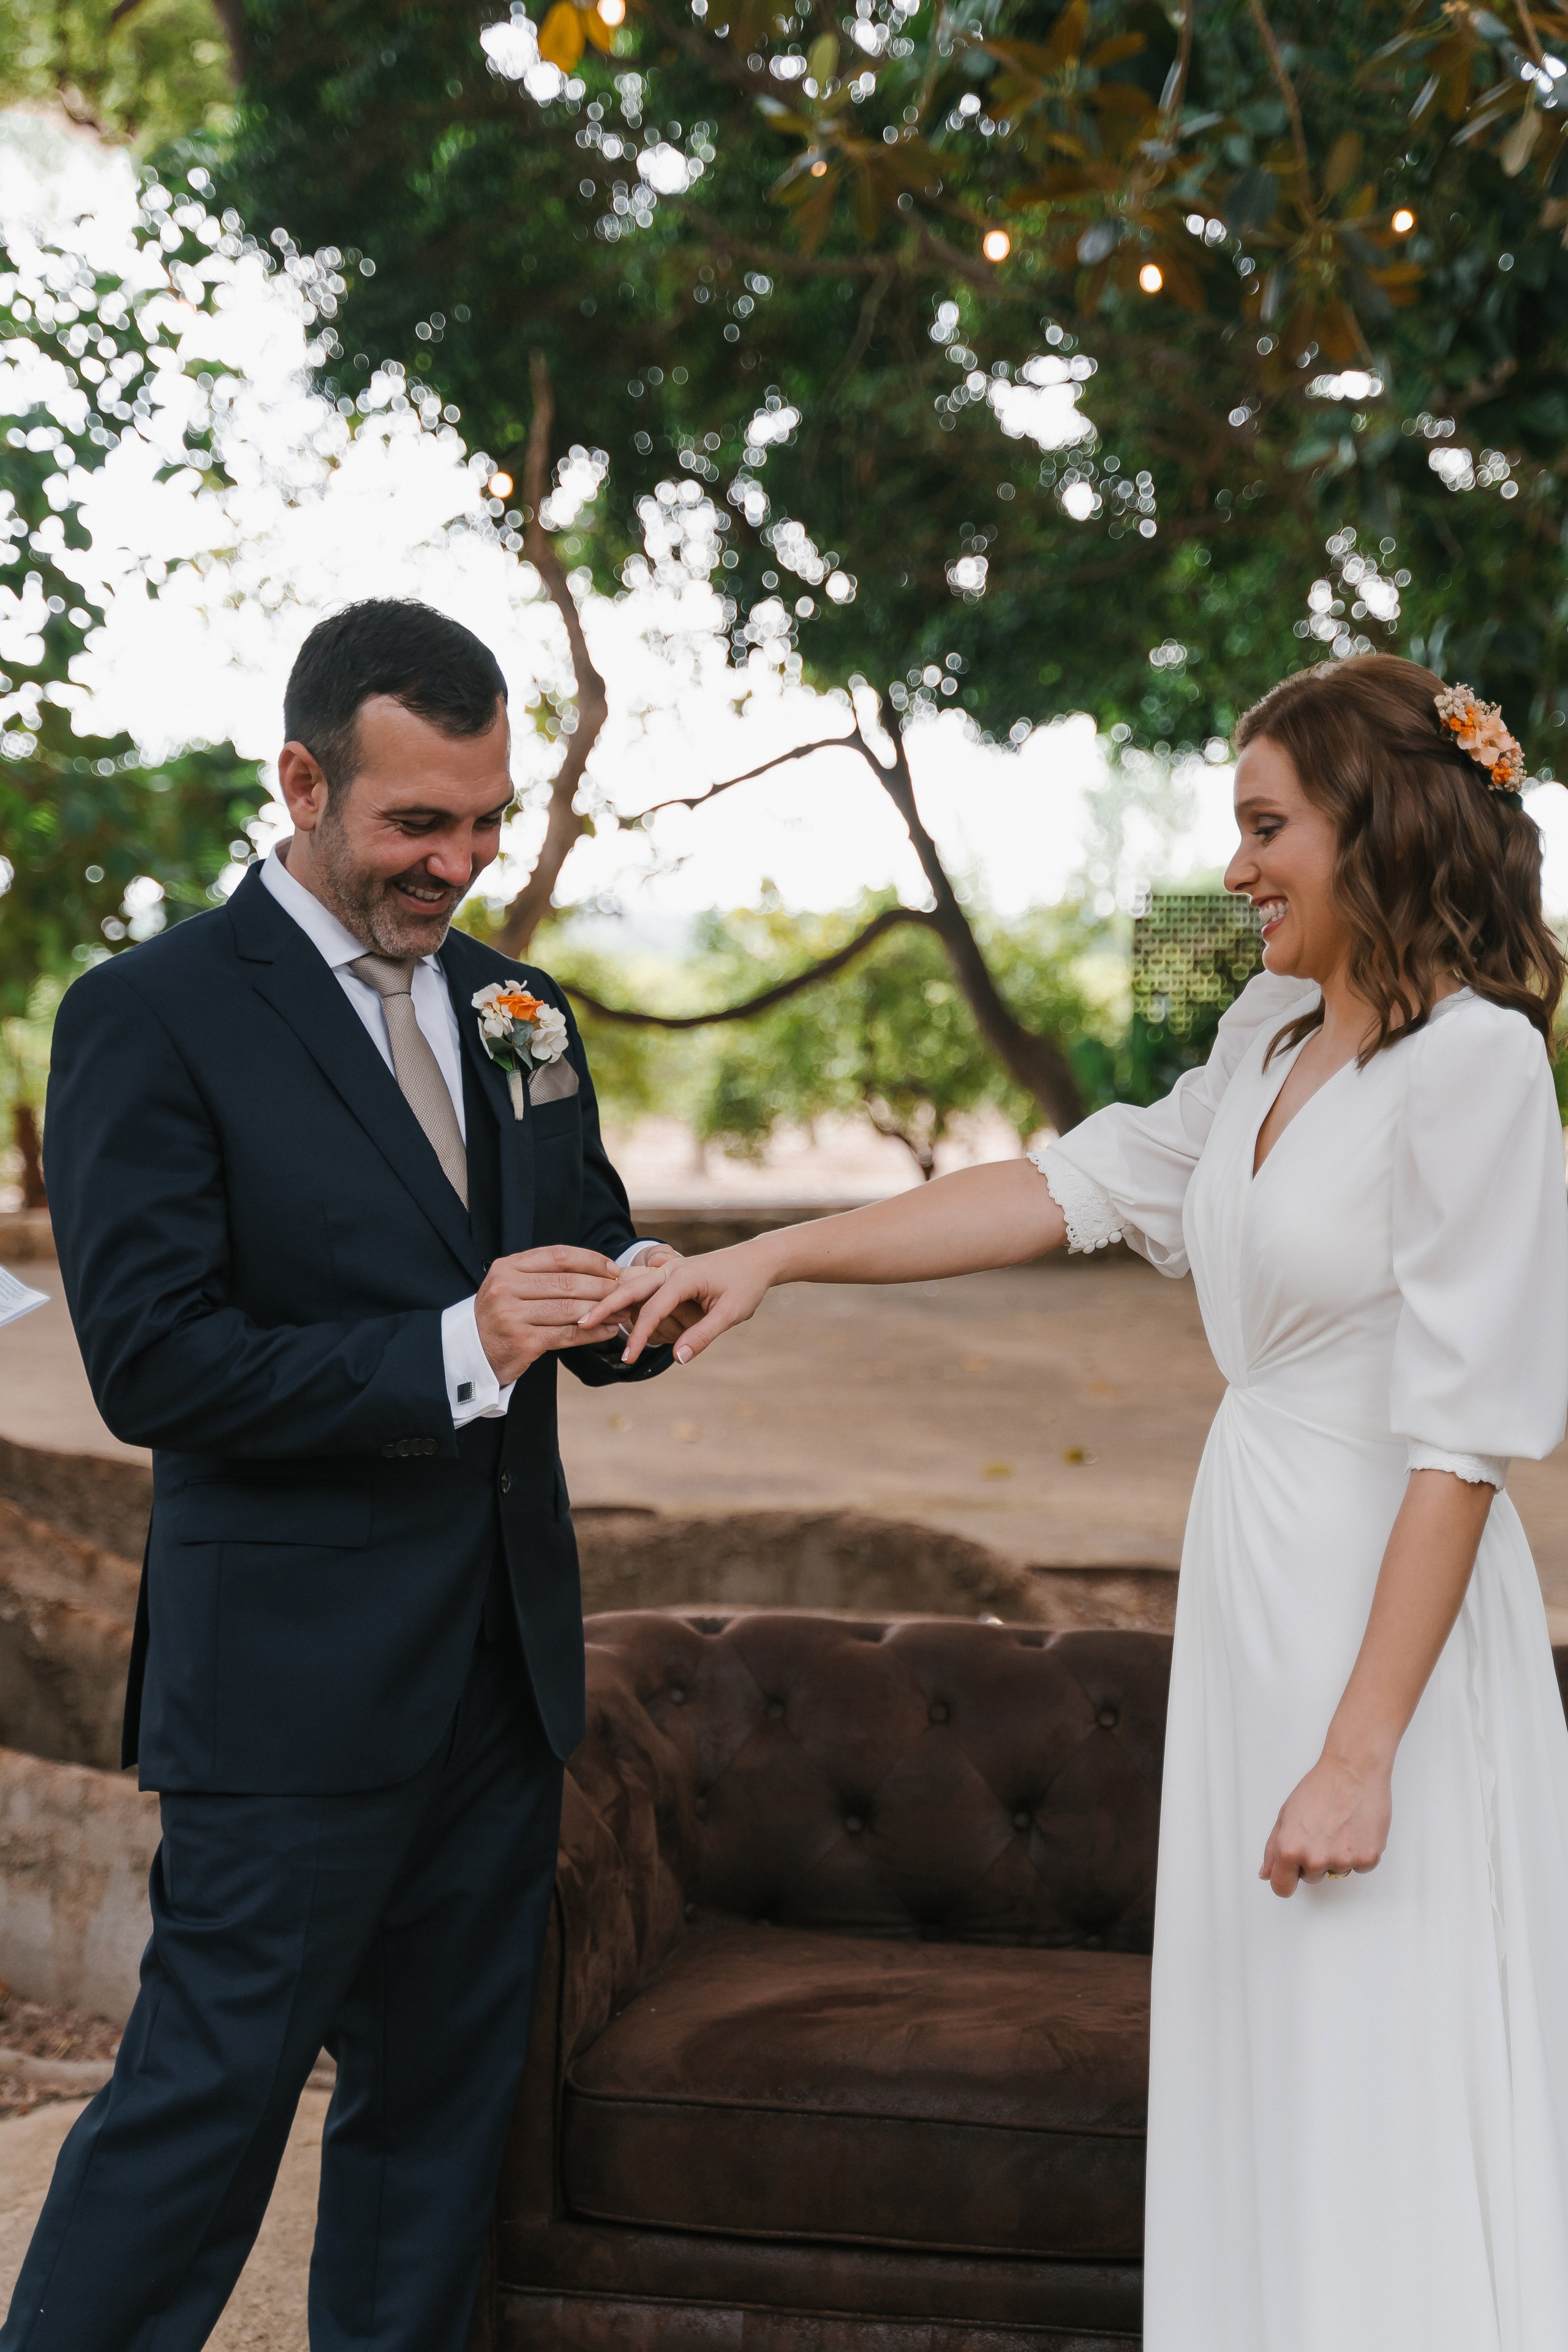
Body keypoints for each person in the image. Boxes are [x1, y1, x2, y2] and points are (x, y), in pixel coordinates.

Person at [601, 654, 1568, 2351]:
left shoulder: (1479, 1066)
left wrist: (1361, 1752)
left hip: (1386, 1633)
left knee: (1378, 2047)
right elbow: (1058, 1185)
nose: (1237, 869)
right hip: (1256, 1577)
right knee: (1268, 2045)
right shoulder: (1267, 1031)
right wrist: (777, 1256)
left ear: (1385, 827)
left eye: (1269, 826)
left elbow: (1464, 1446)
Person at [6, 598, 685, 2351]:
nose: (455, 863)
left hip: (499, 1676)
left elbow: (575, 1255)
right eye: (415, 824)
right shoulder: (149, 1016)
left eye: (483, 821)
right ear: (301, 780)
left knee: (441, 2136)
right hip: (286, 1688)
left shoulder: (520, 1009)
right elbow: (153, 1360)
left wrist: (644, 1301)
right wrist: (460, 1345)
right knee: (203, 2113)